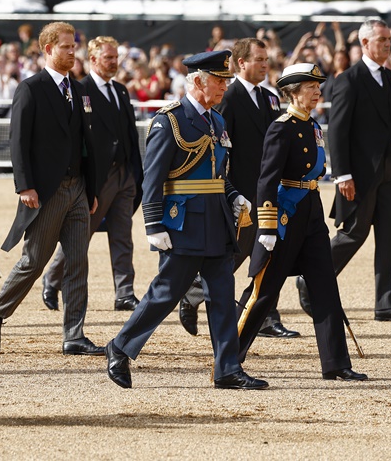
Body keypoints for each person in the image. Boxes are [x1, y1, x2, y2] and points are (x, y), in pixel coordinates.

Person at [104, 50, 268, 390]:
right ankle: (119, 347)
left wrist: (234, 195)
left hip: (217, 221)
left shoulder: (217, 121)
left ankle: (227, 368)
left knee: (222, 298)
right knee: (164, 294)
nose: (225, 86)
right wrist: (153, 224)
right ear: (198, 81)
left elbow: (219, 173)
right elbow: (153, 176)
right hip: (184, 223)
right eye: (219, 80)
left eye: (225, 80)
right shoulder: (171, 120)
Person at [237, 63, 367, 381]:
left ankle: (336, 363)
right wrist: (267, 227)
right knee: (264, 291)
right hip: (285, 215)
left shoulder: (313, 126)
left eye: (317, 87)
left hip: (311, 212)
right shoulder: (281, 127)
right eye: (311, 87)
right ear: (294, 92)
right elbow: (266, 181)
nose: (317, 92)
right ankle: (228, 358)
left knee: (324, 286)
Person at [0, 22, 102, 356]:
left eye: (73, 45)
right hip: (47, 191)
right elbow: (17, 141)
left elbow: (85, 143)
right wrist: (25, 186)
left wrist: (91, 190)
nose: (72, 51)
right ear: (48, 49)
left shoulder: (79, 91)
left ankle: (73, 335)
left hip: (77, 189)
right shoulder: (31, 89)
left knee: (78, 263)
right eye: (66, 46)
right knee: (33, 261)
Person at [177, 38, 300, 339]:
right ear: (241, 62)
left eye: (266, 58)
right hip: (242, 191)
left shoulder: (270, 98)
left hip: (268, 191)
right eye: (258, 59)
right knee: (236, 253)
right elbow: (220, 149)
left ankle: (264, 315)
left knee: (270, 253)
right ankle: (192, 292)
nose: (264, 64)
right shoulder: (229, 97)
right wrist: (228, 191)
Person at [296, 19, 391, 322]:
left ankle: (386, 303)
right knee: (353, 233)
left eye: (389, 40)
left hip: (390, 169)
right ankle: (310, 278)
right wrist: (343, 174)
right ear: (364, 43)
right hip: (360, 174)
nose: (387, 45)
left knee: (390, 236)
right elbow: (338, 129)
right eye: (381, 40)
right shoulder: (349, 79)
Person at [41, 36, 143, 312]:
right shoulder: (80, 89)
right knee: (80, 235)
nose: (114, 62)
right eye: (108, 57)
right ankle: (52, 280)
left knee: (123, 236)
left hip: (124, 176)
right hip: (98, 177)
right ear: (94, 59)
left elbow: (129, 135)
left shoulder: (121, 91)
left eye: (115, 57)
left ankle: (124, 292)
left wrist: (135, 172)